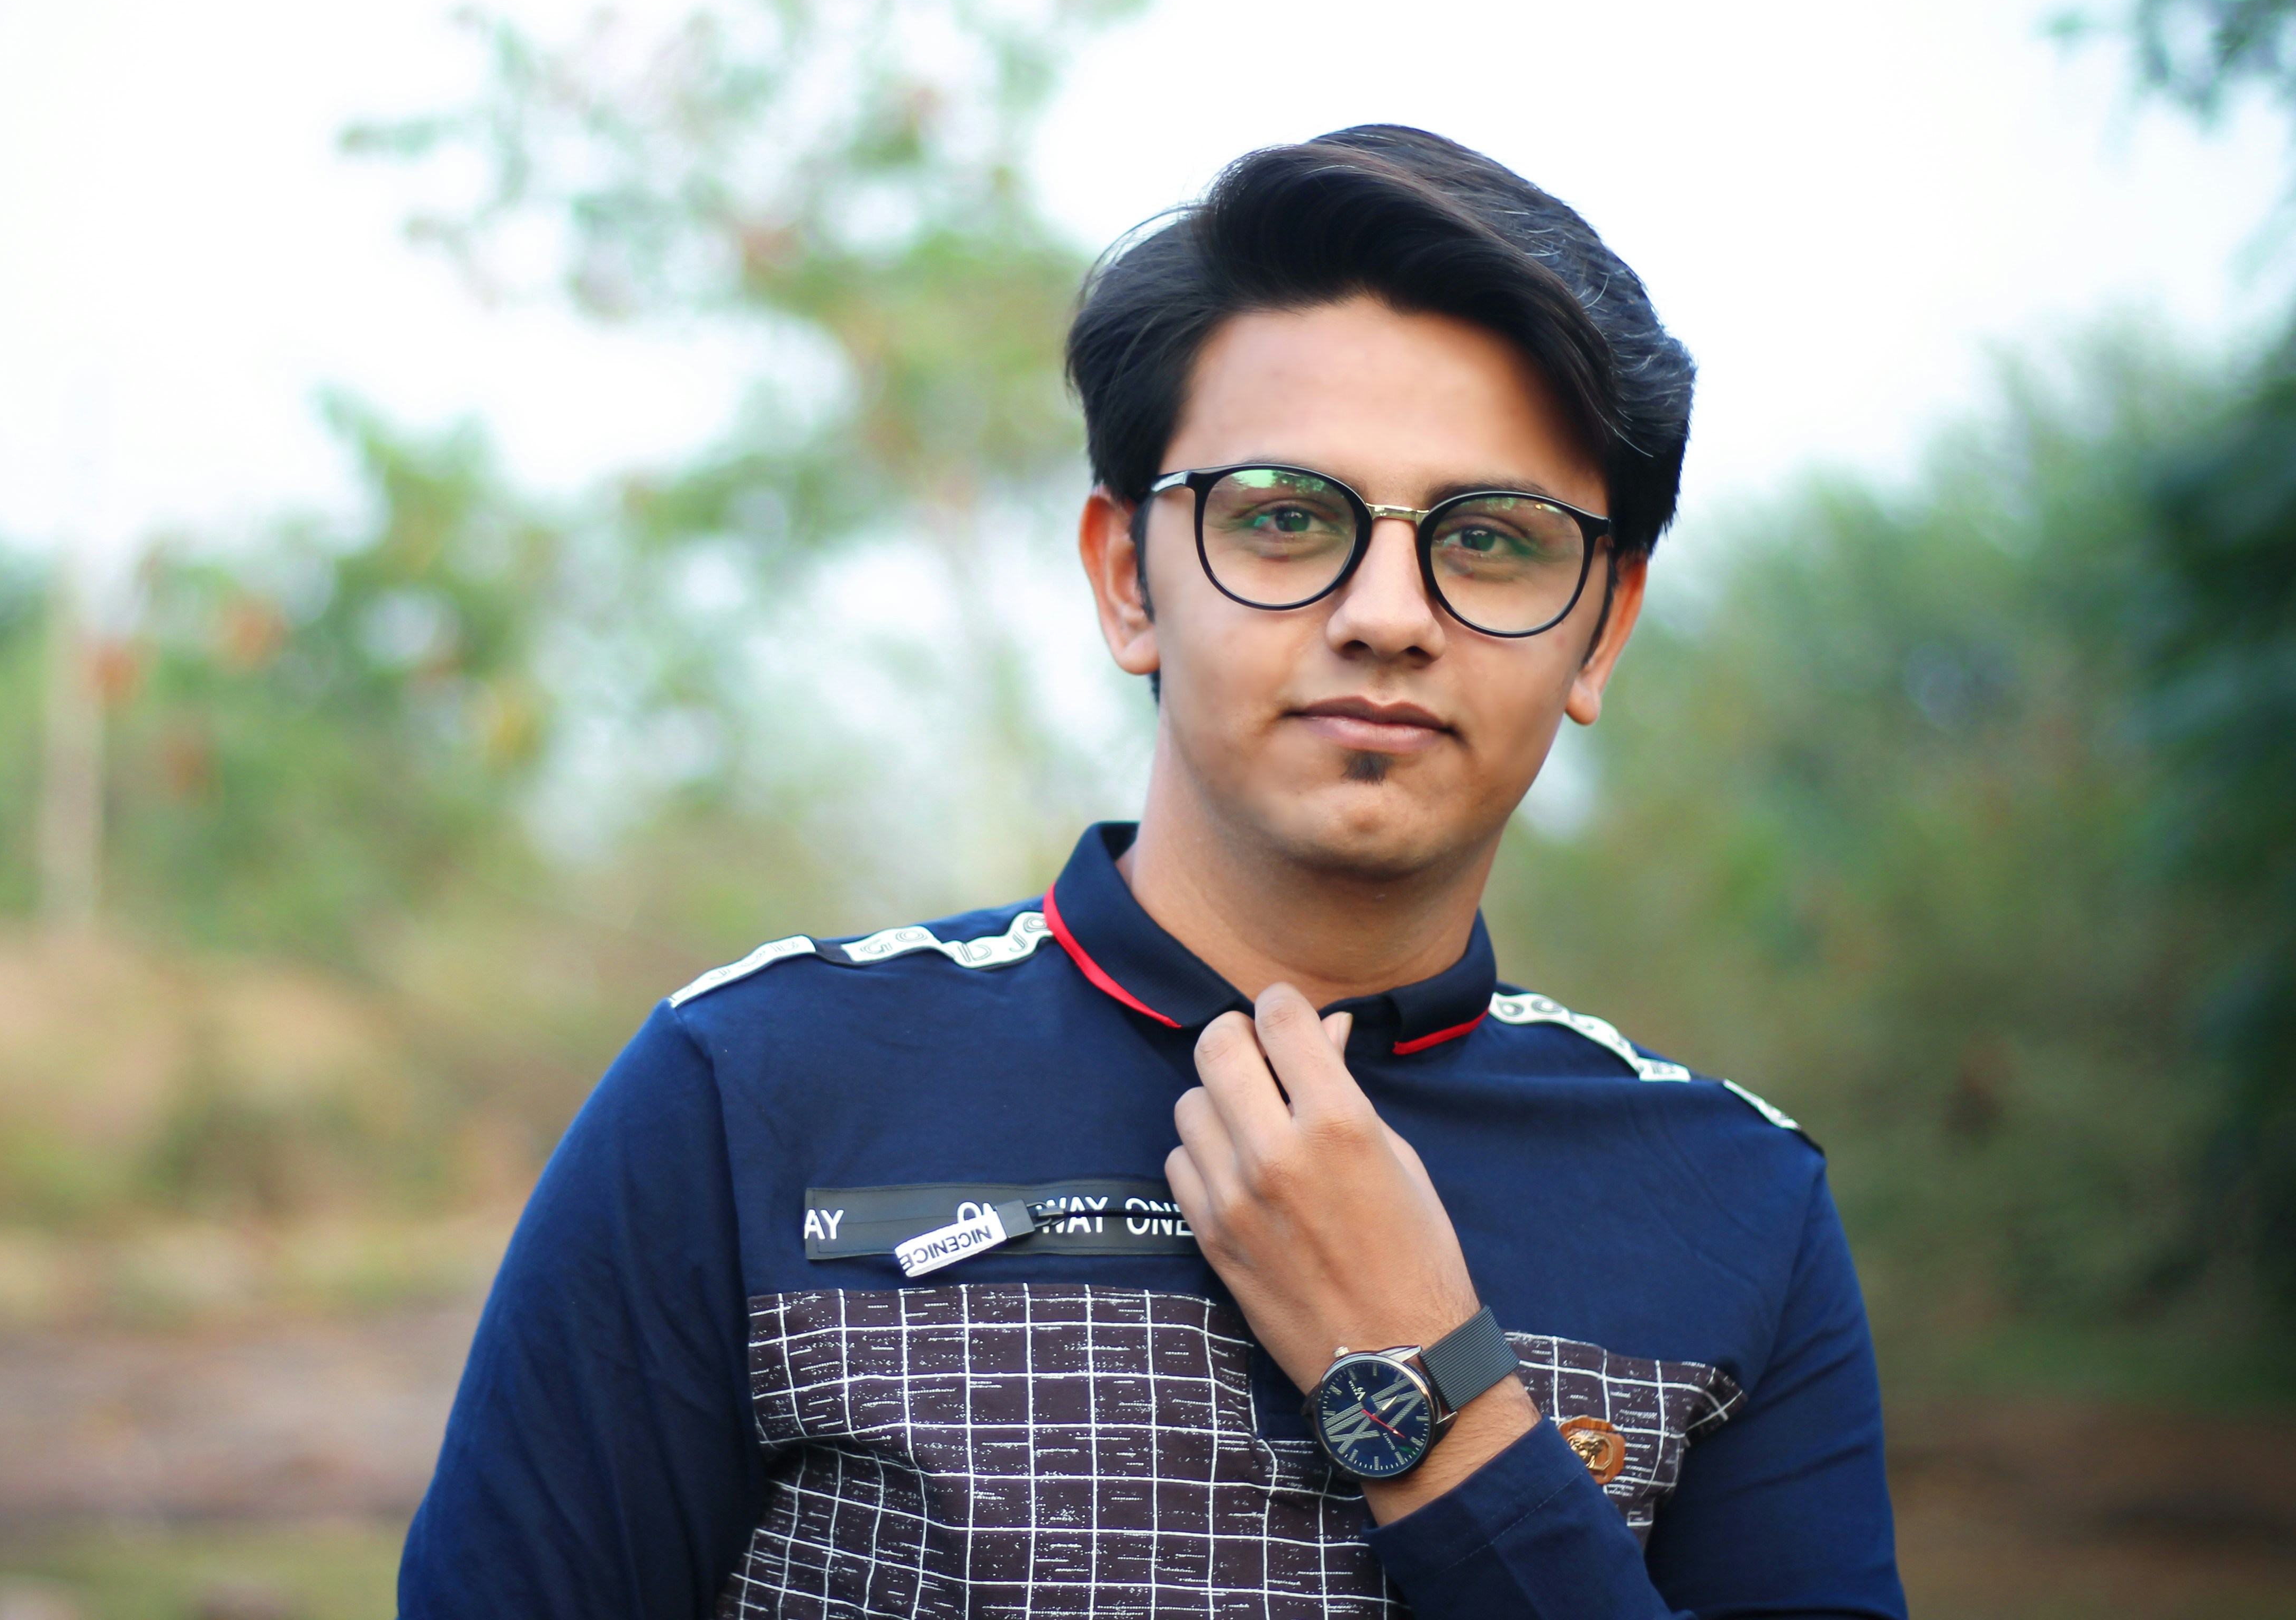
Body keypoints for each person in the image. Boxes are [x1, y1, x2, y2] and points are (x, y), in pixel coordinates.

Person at [398, 125, 1907, 1618]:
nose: (1388, 612)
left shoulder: (1732, 1203)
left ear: (1602, 628)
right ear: (1129, 579)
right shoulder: (751, 1093)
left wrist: (1428, 1396)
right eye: (1285, 518)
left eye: (1493, 539)